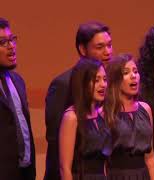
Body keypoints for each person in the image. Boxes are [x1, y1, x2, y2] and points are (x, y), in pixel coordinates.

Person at [45, 21, 112, 180]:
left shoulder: (108, 83)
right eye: (100, 47)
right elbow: (55, 141)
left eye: (109, 45)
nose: (107, 52)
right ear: (82, 49)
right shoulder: (63, 84)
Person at [105, 54, 154, 179]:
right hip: (117, 175)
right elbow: (103, 161)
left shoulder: (145, 109)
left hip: (142, 174)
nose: (134, 76)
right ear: (115, 79)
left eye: (135, 71)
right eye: (126, 72)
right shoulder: (107, 111)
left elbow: (150, 157)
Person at [59, 58, 111, 180]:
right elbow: (64, 167)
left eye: (104, 79)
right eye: (96, 80)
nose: (103, 85)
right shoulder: (71, 117)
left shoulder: (101, 115)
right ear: (82, 83)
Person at [0, 17, 36, 180]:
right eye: (2, 42)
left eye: (12, 39)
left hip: (23, 172)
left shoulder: (17, 81)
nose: (11, 46)